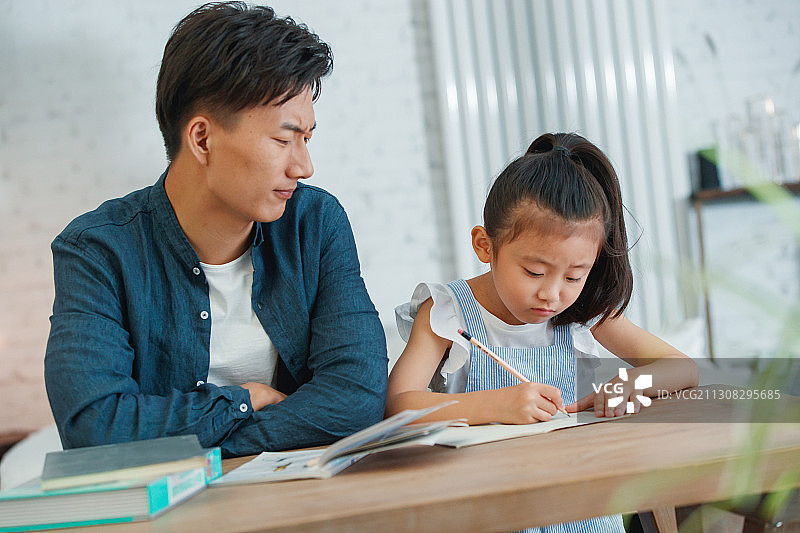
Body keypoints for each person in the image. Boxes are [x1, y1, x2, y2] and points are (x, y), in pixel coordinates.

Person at [44, 2, 388, 458]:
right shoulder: (97, 251)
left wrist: (206, 440)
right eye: (283, 141)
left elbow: (356, 398)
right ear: (202, 139)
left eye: (306, 139)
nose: (304, 166)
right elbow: (94, 426)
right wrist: (244, 402)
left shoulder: (316, 224)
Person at [387, 132, 698, 532]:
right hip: (487, 512)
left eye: (574, 275)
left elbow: (681, 368)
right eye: (533, 271)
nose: (551, 295)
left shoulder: (581, 311)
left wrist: (628, 386)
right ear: (485, 246)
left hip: (583, 511)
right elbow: (398, 406)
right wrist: (497, 406)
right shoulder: (449, 310)